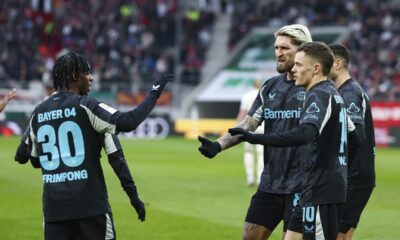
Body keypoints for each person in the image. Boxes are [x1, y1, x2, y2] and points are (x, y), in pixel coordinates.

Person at [16, 51, 172, 239]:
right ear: (74, 76)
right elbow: (128, 124)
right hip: (91, 209)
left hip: (54, 213)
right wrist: (154, 93)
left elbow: (27, 158)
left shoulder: (38, 112)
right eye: (86, 73)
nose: (91, 78)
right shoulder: (88, 106)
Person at [229, 42, 360, 240]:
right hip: (316, 188)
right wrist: (337, 165)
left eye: (299, 65)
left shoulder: (318, 94)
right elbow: (355, 138)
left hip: (320, 192)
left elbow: (305, 133)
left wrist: (255, 138)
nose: (294, 69)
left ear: (316, 68)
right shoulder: (333, 93)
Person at [198, 24, 312, 240]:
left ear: (302, 50)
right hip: (271, 183)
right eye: (276, 47)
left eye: (285, 48)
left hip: (303, 185)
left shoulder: (315, 89)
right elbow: (249, 124)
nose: (278, 53)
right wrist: (218, 145)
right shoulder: (270, 87)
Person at [328, 44, 375, 240]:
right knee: (344, 235)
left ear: (337, 63)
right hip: (357, 176)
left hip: (353, 177)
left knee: (334, 234)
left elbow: (355, 136)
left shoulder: (349, 93)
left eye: (325, 62)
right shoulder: (348, 90)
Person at [237, 79, 264, 187]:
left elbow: (242, 113)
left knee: (248, 152)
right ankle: (259, 179)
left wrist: (237, 126)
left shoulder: (246, 95)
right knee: (261, 154)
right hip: (263, 126)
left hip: (248, 126)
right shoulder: (265, 94)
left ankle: (250, 177)